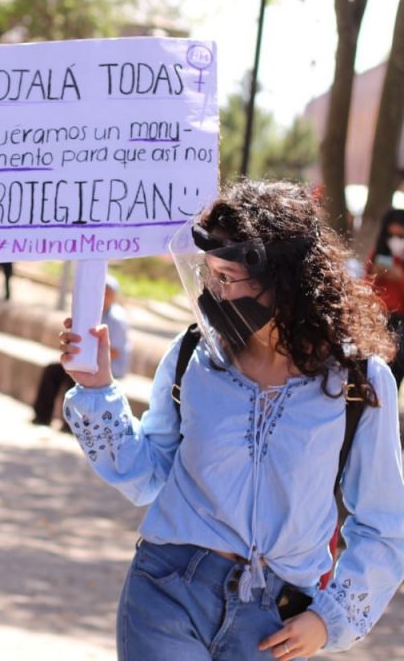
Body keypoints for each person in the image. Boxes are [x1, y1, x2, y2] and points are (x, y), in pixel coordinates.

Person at [58, 181, 404, 660]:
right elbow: (147, 474)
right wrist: (97, 388)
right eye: (210, 274)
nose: (213, 292)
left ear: (283, 279)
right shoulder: (191, 356)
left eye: (227, 277)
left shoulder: (358, 381)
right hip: (167, 592)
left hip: (276, 622)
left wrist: (331, 619)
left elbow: (384, 523)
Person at [31, 274, 130, 427]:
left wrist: (89, 353)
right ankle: (42, 417)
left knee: (76, 377)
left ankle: (71, 425)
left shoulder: (116, 319)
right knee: (53, 370)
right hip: (88, 361)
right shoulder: (91, 312)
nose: (103, 296)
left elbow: (115, 352)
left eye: (107, 293)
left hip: (108, 367)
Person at [366, 208, 404, 387]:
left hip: (400, 321)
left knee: (397, 364)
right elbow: (365, 286)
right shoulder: (377, 254)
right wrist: (375, 275)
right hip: (378, 317)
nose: (396, 240)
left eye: (401, 236)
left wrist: (400, 277)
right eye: (392, 235)